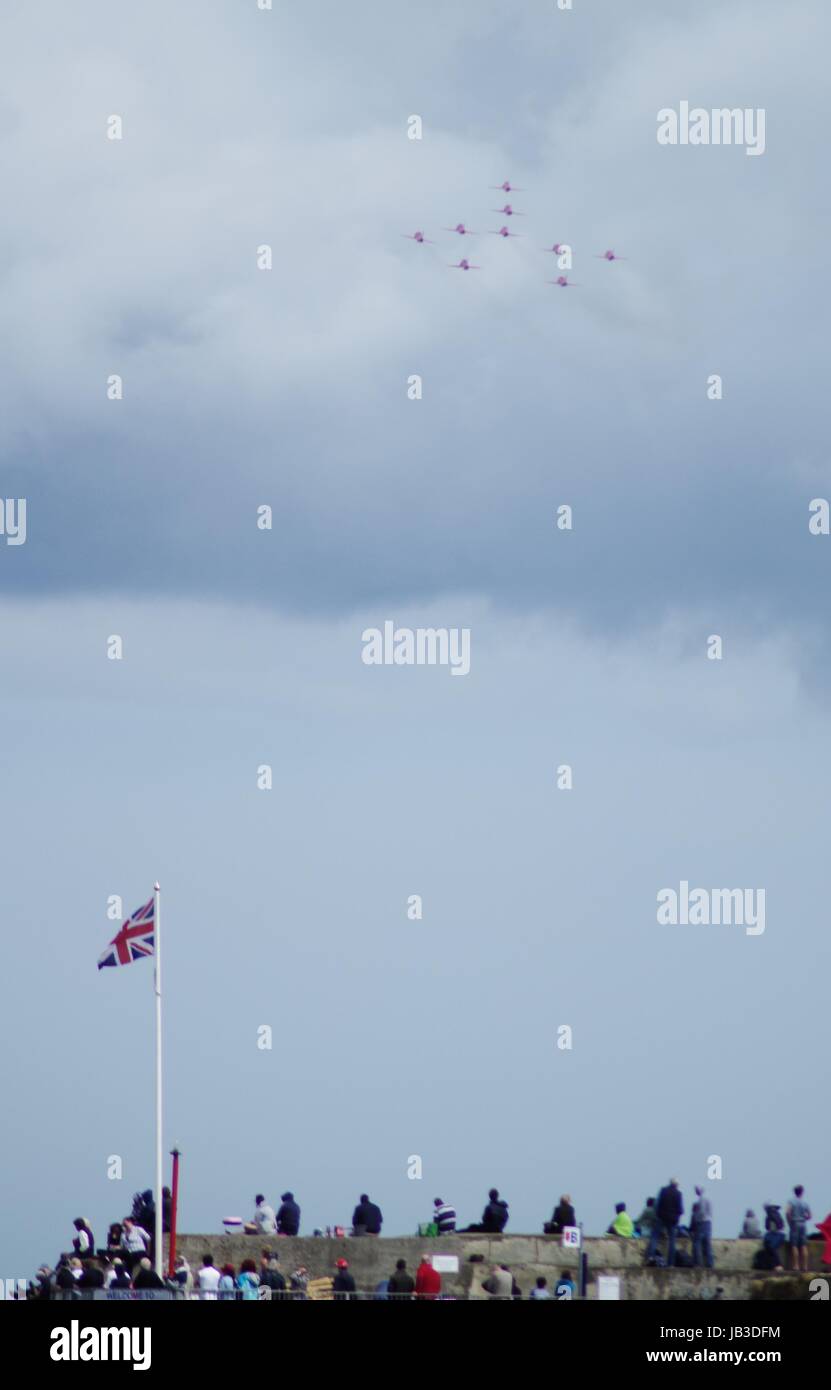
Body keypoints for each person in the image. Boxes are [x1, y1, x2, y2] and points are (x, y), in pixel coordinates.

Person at [647, 1179, 683, 1267]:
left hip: (661, 1217)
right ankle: (671, 1263)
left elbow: (657, 1204)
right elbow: (680, 1209)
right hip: (672, 1220)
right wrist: (676, 1218)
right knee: (672, 1241)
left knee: (654, 1237)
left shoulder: (663, 1190)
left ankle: (650, 1257)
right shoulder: (678, 1194)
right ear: (676, 1185)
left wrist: (658, 1214)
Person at [786, 1185, 812, 1272]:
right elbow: (810, 1216)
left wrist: (790, 1222)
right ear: (802, 1192)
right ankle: (805, 1266)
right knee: (803, 1245)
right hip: (803, 1224)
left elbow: (787, 1213)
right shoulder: (805, 1203)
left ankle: (796, 1266)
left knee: (794, 1245)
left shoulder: (791, 1202)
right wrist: (804, 1218)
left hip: (795, 1223)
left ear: (794, 1192)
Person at [690, 1186, 714, 1269]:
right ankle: (710, 1263)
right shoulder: (708, 1197)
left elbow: (702, 1212)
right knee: (707, 1244)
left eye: (696, 1190)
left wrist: (696, 1219)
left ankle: (698, 1263)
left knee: (697, 1243)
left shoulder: (702, 1199)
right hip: (708, 1222)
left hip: (702, 1223)